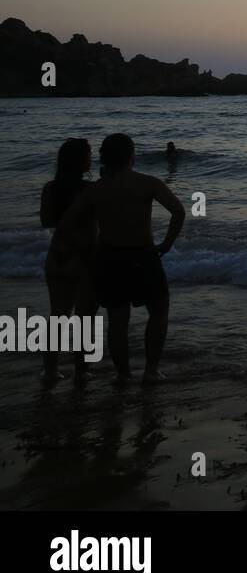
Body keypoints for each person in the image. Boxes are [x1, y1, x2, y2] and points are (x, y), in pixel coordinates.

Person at [61, 134, 185, 385]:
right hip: (143, 254)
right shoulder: (148, 183)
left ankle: (123, 374)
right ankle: (151, 370)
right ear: (132, 156)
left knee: (117, 321)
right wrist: (167, 244)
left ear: (104, 157)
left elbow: (66, 224)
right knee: (159, 311)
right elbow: (178, 211)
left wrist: (86, 249)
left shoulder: (96, 189)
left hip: (109, 257)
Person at [39, 138, 97, 385]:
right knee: (85, 318)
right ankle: (81, 370)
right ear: (82, 161)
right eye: (89, 154)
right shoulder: (90, 190)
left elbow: (46, 221)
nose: (91, 158)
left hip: (57, 254)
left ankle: (50, 369)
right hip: (83, 255)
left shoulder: (50, 188)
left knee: (58, 316)